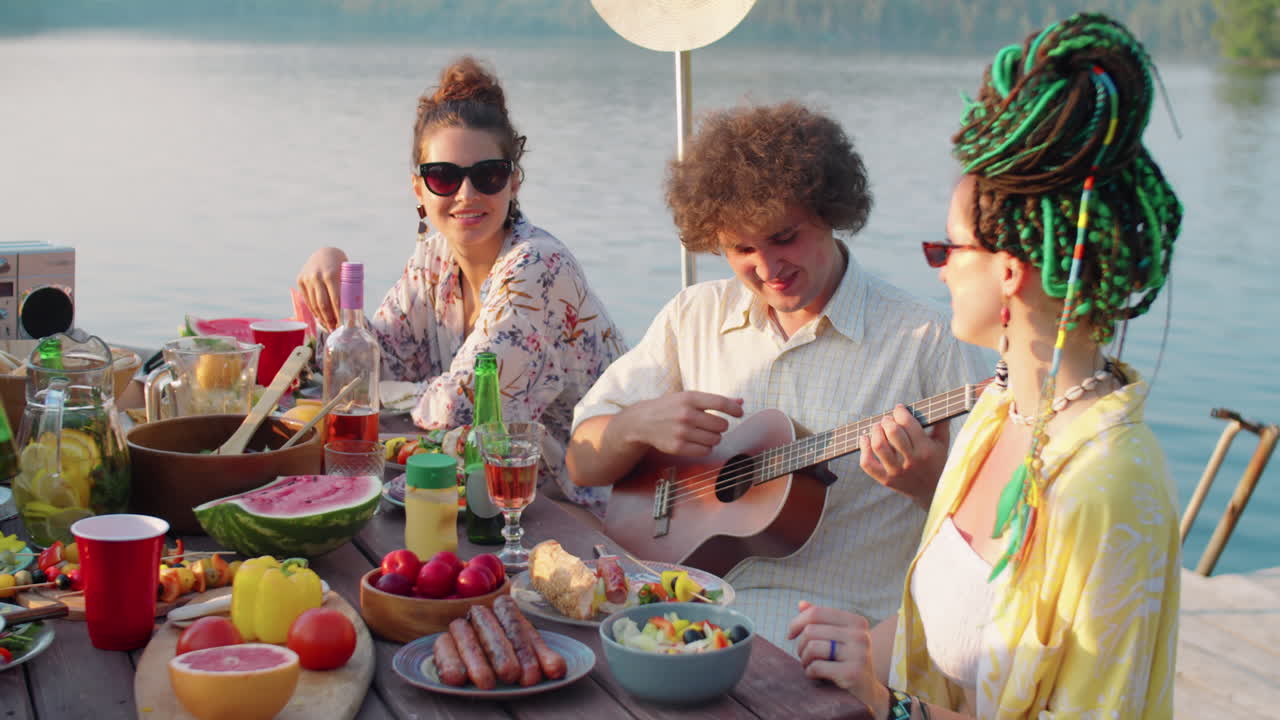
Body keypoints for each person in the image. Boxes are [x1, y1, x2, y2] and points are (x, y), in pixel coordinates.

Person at [786, 13, 1182, 719]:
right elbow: (954, 635)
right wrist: (864, 648)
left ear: (1008, 272)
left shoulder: (1111, 485)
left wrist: (886, 704)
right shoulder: (999, 413)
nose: (937, 270)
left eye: (946, 249)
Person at [567, 102, 992, 646]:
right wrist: (634, 426)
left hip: (836, 635)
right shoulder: (693, 316)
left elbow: (997, 535)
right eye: (742, 248)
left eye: (784, 237)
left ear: (829, 211)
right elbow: (582, 463)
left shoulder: (924, 339)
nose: (768, 268)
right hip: (679, 607)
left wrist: (928, 483)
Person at [296, 57, 625, 510]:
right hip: (497, 496)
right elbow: (368, 372)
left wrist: (391, 392)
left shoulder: (538, 267)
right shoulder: (433, 259)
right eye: (444, 177)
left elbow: (460, 408)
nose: (466, 195)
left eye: (488, 175)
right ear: (419, 189)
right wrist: (331, 268)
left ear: (514, 182)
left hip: (593, 509)